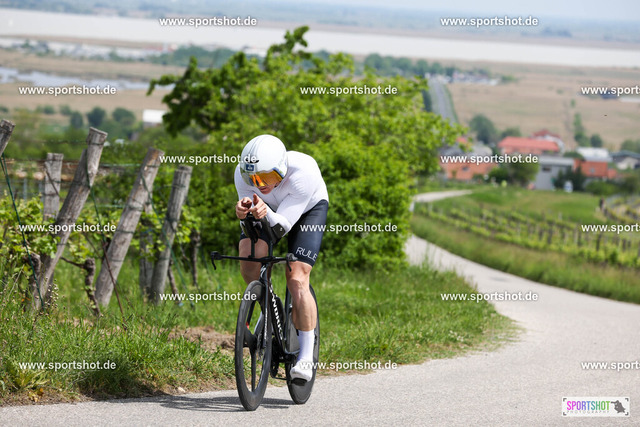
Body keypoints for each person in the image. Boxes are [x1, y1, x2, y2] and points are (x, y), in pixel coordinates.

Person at [234, 134, 329, 381]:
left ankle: (305, 357)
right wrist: (244, 215)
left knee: (296, 277)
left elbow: (281, 227)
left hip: (307, 210)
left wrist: (265, 212)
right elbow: (252, 228)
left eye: (267, 177)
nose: (259, 184)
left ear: (282, 169)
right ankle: (269, 304)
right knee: (250, 260)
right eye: (253, 179)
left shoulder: (302, 174)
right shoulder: (242, 174)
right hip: (267, 210)